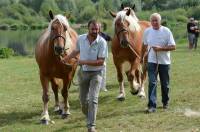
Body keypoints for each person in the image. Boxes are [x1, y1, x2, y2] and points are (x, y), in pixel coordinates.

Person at [62, 20, 107, 132]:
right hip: (83, 72)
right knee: (83, 101)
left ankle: (91, 126)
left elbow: (101, 62)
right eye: (92, 29)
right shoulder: (81, 39)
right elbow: (76, 51)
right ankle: (90, 115)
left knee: (93, 99)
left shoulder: (102, 42)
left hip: (97, 73)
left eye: (97, 29)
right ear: (88, 28)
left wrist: (84, 62)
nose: (95, 31)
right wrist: (66, 59)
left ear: (99, 29)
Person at [142, 13, 176, 113]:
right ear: (150, 22)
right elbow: (144, 45)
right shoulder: (147, 31)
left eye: (156, 20)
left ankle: (165, 102)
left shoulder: (166, 31)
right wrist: (142, 57)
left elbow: (173, 46)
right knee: (152, 82)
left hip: (164, 62)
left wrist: (161, 48)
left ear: (160, 21)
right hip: (151, 61)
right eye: (152, 20)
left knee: (165, 84)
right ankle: (152, 106)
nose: (154, 22)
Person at [98, 22, 111, 92]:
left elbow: (111, 39)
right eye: (98, 27)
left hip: (103, 57)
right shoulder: (92, 35)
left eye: (100, 27)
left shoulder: (104, 35)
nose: (99, 29)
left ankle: (103, 87)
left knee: (103, 72)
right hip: (94, 57)